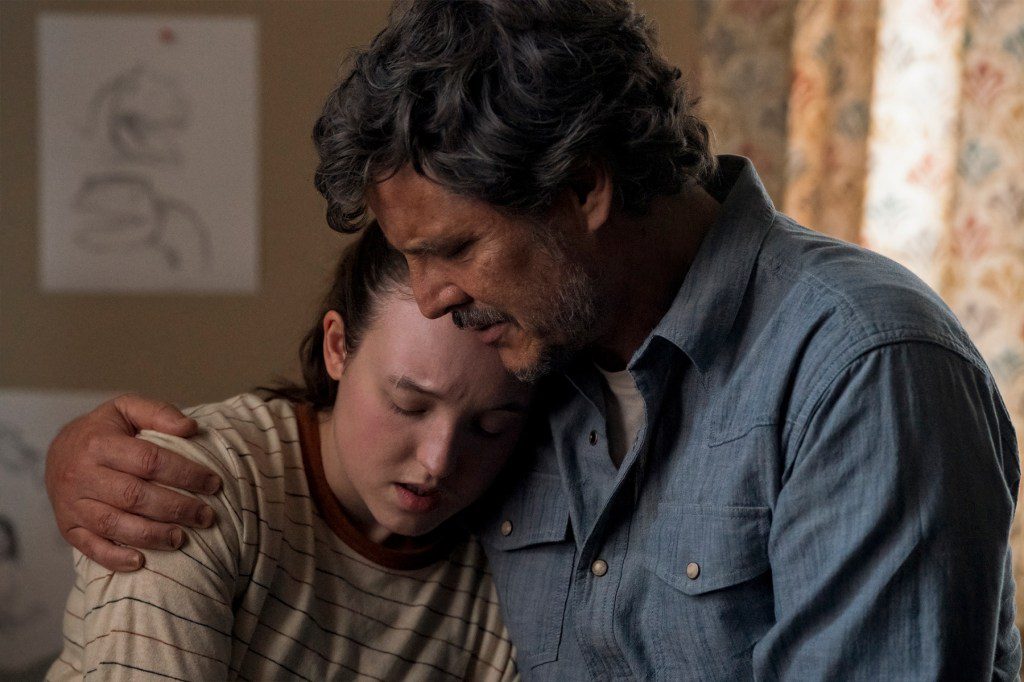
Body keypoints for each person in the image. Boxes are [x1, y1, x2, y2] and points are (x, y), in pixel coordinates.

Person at [46, 0, 1021, 678]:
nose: (430, 299)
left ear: (584, 188)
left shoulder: (859, 368)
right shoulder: (531, 364)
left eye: (454, 249)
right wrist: (93, 462)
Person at [47, 224, 528, 680]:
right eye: (409, 404)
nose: (438, 462)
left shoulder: (513, 562)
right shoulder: (195, 485)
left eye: (490, 428)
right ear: (337, 347)